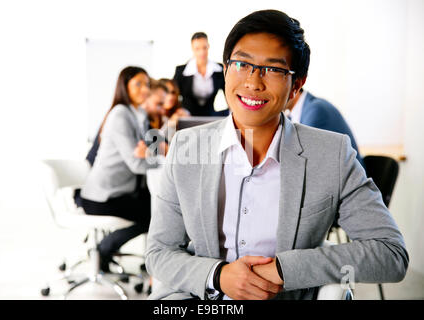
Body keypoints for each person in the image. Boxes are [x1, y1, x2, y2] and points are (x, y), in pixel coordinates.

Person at [145, 10, 408, 300]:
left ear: (296, 85)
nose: (253, 82)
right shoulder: (185, 146)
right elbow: (159, 252)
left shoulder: (331, 154)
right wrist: (218, 275)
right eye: (242, 64)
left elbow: (391, 253)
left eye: (273, 69)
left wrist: (284, 270)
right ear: (226, 68)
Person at [75, 66, 163, 272]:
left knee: (161, 208)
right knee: (157, 214)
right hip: (101, 197)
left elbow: (151, 149)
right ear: (125, 87)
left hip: (119, 192)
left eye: (147, 84)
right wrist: (157, 159)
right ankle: (104, 248)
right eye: (138, 84)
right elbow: (136, 163)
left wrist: (151, 152)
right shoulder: (121, 114)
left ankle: (106, 249)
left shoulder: (137, 113)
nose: (145, 89)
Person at [285, 88, 365, 168]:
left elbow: (301, 163)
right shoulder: (296, 114)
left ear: (295, 86)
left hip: (347, 177)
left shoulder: (316, 111)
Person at [173, 32, 228, 117]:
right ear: (192, 49)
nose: (202, 52)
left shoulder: (219, 69)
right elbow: (173, 96)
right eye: (197, 49)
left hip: (210, 117)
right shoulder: (181, 71)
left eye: (204, 48)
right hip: (187, 117)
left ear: (208, 46)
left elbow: (228, 93)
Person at [158, 78, 190, 142]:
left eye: (173, 93)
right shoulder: (153, 114)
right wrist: (171, 123)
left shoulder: (182, 112)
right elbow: (156, 143)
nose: (170, 97)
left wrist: (187, 122)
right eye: (166, 92)